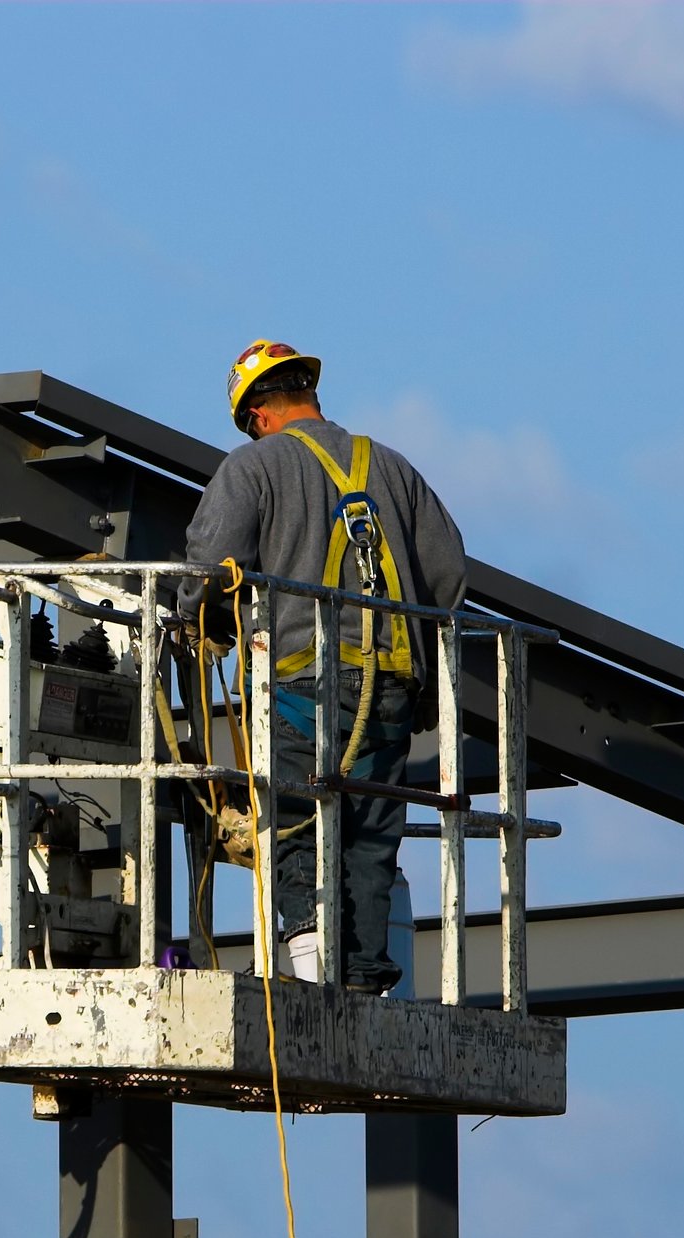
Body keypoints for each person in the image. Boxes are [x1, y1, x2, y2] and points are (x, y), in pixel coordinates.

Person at [182, 339, 469, 992]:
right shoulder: (392, 468)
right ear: (307, 392)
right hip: (392, 679)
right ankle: (364, 977)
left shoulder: (254, 468)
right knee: (369, 835)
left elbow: (209, 566)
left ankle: (313, 978)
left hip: (300, 681)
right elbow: (450, 571)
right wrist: (421, 664)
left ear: (257, 413)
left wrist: (200, 622)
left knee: (296, 826)